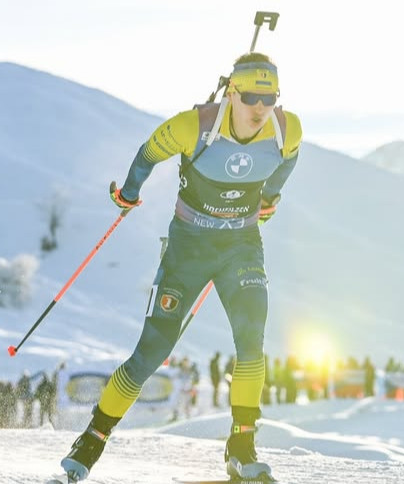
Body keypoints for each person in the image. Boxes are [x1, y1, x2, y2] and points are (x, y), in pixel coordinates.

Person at [58, 51, 302, 483]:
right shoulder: (194, 126)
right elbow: (148, 153)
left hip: (241, 246)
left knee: (251, 342)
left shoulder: (288, 128)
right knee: (150, 354)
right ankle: (92, 438)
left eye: (270, 98)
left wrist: (270, 198)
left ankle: (242, 449)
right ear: (232, 92)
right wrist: (129, 193)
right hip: (187, 249)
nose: (261, 108)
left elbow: (288, 159)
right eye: (250, 97)